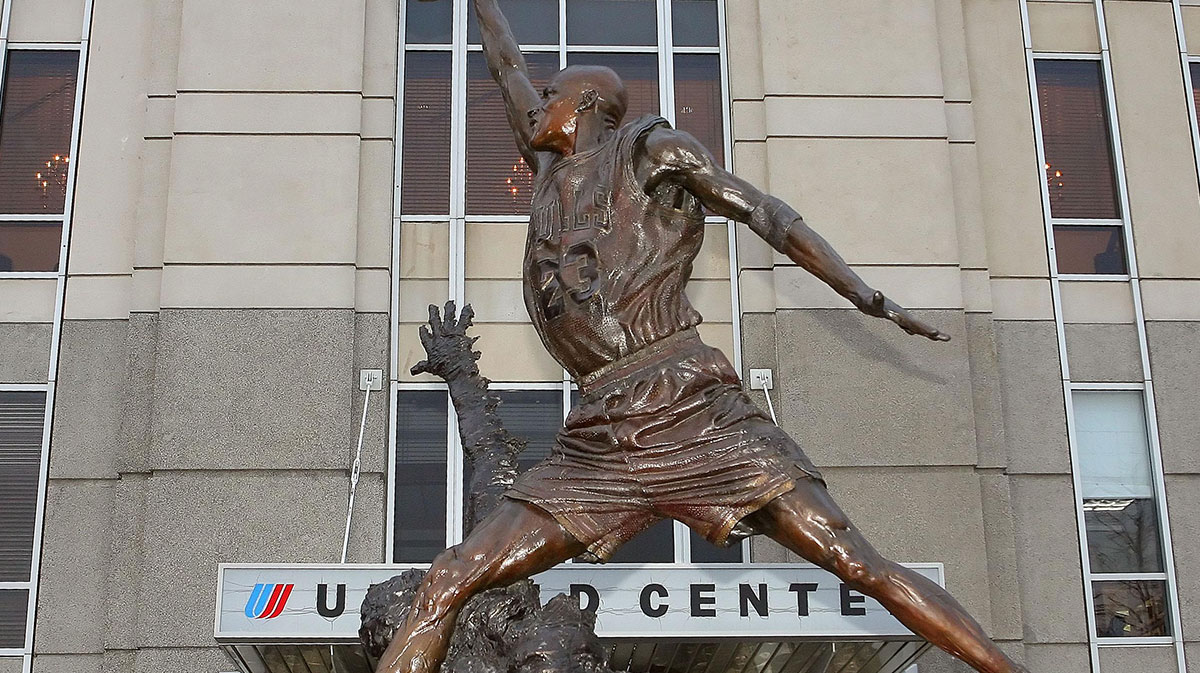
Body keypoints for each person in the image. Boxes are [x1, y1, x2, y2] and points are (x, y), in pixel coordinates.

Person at [377, 2, 1032, 672]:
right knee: (451, 575)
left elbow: (765, 213)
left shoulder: (651, 151)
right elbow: (505, 61)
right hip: (600, 437)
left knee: (855, 561)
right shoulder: (548, 173)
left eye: (551, 96)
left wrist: (864, 294)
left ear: (588, 103)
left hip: (688, 406)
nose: (534, 104)